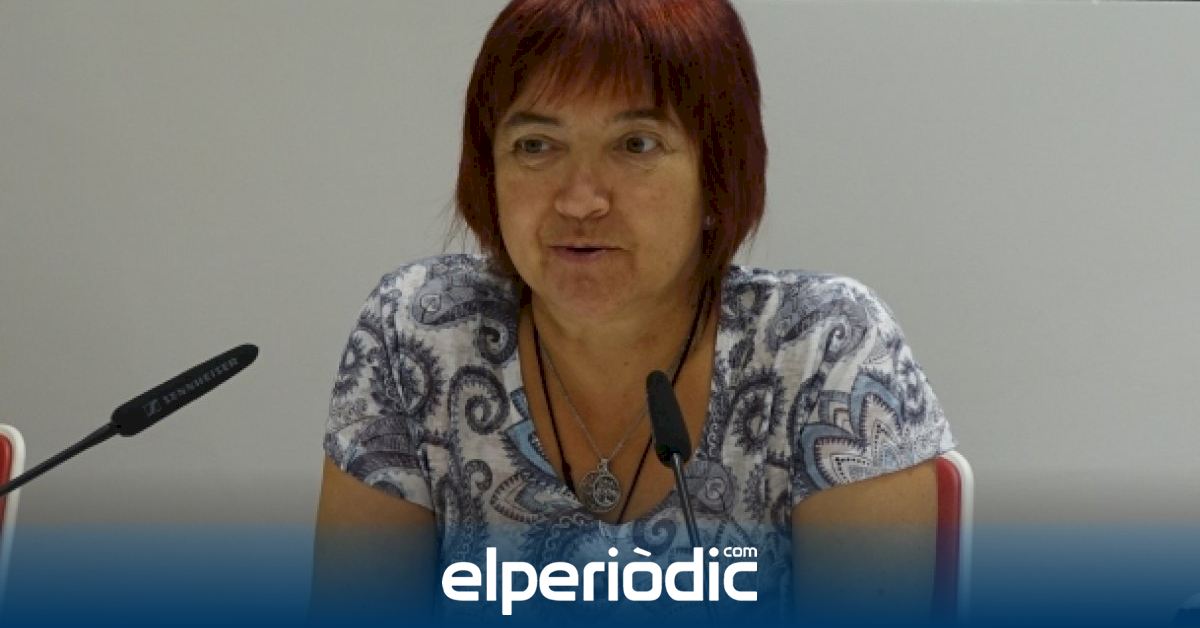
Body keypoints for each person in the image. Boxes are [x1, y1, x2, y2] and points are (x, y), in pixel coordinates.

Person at [312, 0, 956, 624]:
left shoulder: (825, 350)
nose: (580, 200)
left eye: (636, 144)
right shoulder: (419, 332)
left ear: (717, 174)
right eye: (536, 145)